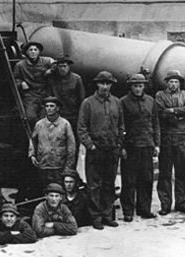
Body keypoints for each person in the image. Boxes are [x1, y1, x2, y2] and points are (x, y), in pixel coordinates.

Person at [77, 71, 125, 230]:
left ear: (111, 85)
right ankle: (95, 216)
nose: (105, 86)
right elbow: (82, 128)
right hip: (95, 150)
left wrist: (118, 143)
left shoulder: (116, 103)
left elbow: (121, 126)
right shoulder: (88, 103)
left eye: (108, 83)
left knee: (109, 184)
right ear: (97, 84)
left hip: (112, 150)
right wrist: (91, 145)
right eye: (102, 83)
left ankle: (107, 215)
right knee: (94, 184)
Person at [120, 73, 160, 222]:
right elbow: (120, 126)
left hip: (147, 146)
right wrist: (122, 146)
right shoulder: (123, 102)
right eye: (135, 86)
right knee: (129, 180)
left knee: (146, 179)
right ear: (131, 87)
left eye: (140, 86)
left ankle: (144, 209)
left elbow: (155, 123)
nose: (138, 89)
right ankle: (128, 211)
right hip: (131, 147)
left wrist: (157, 144)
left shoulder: (151, 101)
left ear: (144, 86)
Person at [155, 70, 185, 215]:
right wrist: (180, 113)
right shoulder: (160, 95)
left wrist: (172, 110)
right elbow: (160, 113)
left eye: (176, 81)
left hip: (182, 137)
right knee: (165, 172)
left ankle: (181, 203)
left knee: (182, 171)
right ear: (167, 83)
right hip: (166, 137)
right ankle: (165, 204)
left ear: (179, 83)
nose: (173, 84)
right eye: (171, 81)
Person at [29, 96, 76, 189]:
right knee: (44, 189)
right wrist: (32, 154)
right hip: (43, 165)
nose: (49, 108)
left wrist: (68, 167)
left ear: (57, 108)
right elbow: (33, 140)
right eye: (47, 106)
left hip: (59, 166)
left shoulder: (65, 124)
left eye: (52, 106)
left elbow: (71, 147)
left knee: (58, 190)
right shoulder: (39, 124)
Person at [13, 41, 55, 126]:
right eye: (30, 50)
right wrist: (21, 83)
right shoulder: (20, 65)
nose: (33, 52)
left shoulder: (45, 61)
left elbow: (56, 64)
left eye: (35, 50)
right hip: (30, 95)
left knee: (47, 116)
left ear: (39, 52)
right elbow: (15, 78)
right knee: (30, 117)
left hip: (45, 94)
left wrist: (50, 70)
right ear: (26, 52)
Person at [48, 56, 86, 144]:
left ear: (69, 67)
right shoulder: (52, 79)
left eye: (64, 66)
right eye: (60, 66)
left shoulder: (76, 79)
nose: (62, 69)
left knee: (73, 139)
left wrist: (80, 115)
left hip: (73, 114)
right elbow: (49, 96)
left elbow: (81, 98)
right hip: (58, 115)